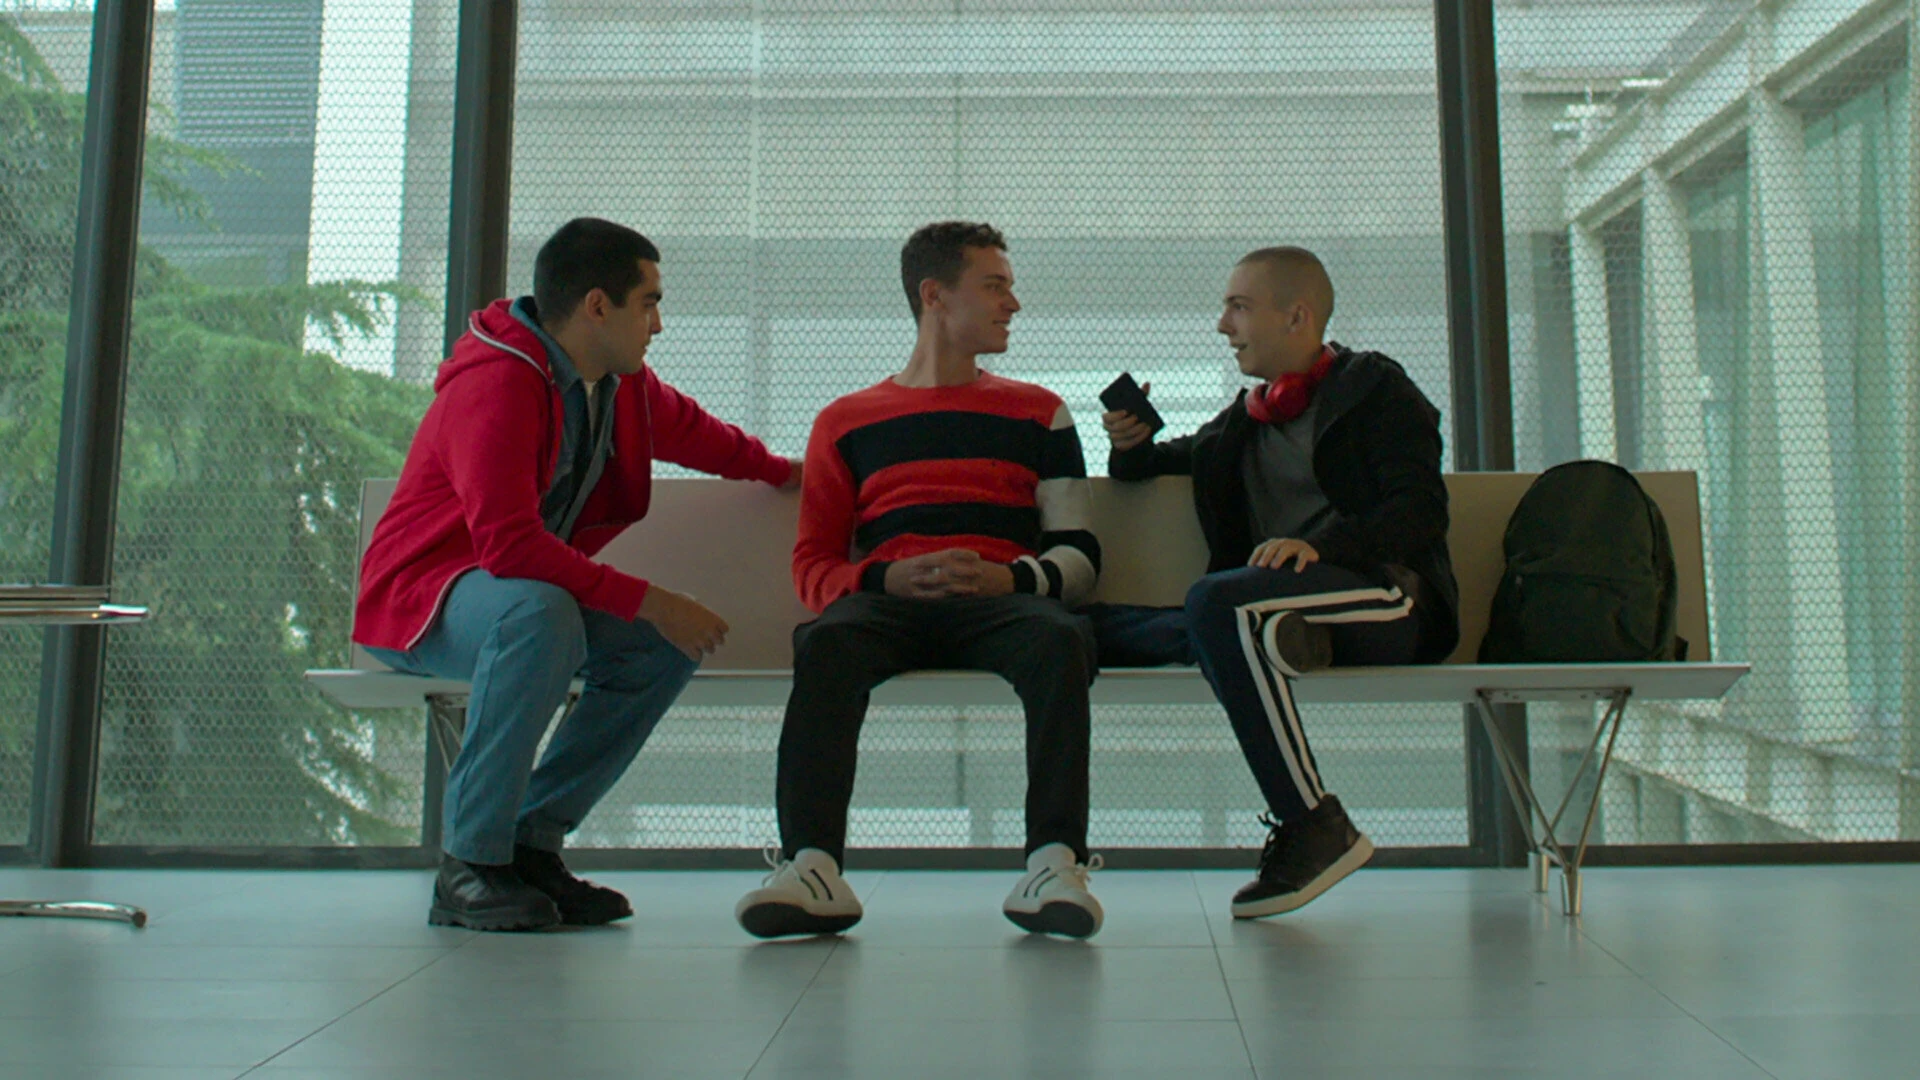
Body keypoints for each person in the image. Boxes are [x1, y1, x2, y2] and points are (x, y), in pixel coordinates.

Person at [355, 218, 800, 931]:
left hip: (517, 604)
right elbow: (509, 547)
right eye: (648, 304)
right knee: (542, 614)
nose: (658, 325)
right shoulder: (499, 382)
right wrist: (654, 599)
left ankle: (530, 845)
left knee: (657, 648)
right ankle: (469, 865)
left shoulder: (615, 384)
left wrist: (787, 473)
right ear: (598, 306)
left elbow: (693, 433)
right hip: (422, 605)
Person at [735, 221, 1106, 940]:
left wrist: (1008, 580)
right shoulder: (844, 421)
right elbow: (813, 567)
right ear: (934, 295)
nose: (1013, 304)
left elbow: (1081, 558)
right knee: (825, 642)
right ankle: (812, 867)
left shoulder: (1043, 412)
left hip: (1004, 607)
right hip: (887, 608)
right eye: (995, 286)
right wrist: (887, 577)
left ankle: (1053, 864)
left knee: (1063, 640)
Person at [1095, 247, 1458, 918]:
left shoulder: (1376, 391)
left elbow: (1420, 511)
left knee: (1212, 605)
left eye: (1238, 307)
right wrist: (1131, 444)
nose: (1222, 325)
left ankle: (1312, 821)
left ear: (1297, 316)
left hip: (1387, 601)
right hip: (1281, 605)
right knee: (1090, 625)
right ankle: (1279, 636)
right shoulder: (1246, 420)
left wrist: (1319, 549)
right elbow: (1156, 465)